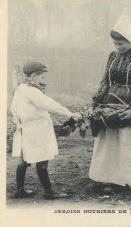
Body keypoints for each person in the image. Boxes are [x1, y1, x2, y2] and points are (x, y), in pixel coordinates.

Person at [89, 16, 131, 191]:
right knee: (111, 142)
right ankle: (109, 178)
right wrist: (96, 102)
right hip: (111, 102)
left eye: (121, 44)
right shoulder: (112, 56)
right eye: (115, 44)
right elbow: (105, 81)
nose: (118, 47)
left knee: (130, 143)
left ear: (130, 39)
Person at [10, 61, 82, 199]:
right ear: (34, 76)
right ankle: (49, 192)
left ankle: (20, 190)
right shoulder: (32, 91)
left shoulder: (21, 88)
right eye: (42, 76)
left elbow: (13, 109)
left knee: (24, 159)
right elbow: (50, 105)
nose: (44, 79)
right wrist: (70, 114)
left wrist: (18, 122)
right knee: (42, 161)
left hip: (26, 130)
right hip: (38, 131)